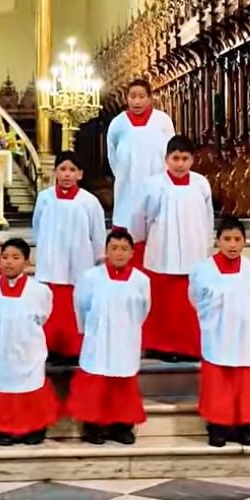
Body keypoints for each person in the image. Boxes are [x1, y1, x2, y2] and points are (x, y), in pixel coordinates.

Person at [129, 135, 215, 361]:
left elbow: (208, 218)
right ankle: (161, 346)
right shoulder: (154, 184)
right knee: (164, 304)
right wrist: (143, 239)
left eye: (185, 158)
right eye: (175, 158)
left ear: (193, 160)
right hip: (162, 249)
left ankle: (190, 348)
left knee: (189, 304)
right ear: (166, 159)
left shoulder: (201, 183)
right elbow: (141, 217)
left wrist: (207, 245)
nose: (180, 164)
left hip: (194, 250)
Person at [190, 219, 250, 447]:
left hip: (245, 335)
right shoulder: (203, 270)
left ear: (245, 242)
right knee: (219, 382)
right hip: (217, 334)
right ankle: (217, 425)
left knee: (245, 382)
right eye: (227, 239)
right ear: (218, 240)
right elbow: (195, 298)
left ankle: (243, 425)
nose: (232, 244)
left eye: (237, 239)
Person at [70, 228, 150, 445]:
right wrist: (90, 330)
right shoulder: (91, 277)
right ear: (106, 251)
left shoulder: (141, 281)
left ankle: (122, 425)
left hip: (126, 339)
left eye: (124, 249)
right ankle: (93, 425)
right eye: (114, 248)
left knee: (122, 382)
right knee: (96, 380)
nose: (119, 253)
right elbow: (81, 305)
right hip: (98, 337)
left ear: (132, 252)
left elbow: (144, 309)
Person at [0, 239, 59, 445]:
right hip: (2, 347)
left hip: (29, 348)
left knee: (30, 386)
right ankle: (4, 428)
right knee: (6, 385)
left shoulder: (40, 291)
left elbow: (43, 316)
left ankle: (33, 428)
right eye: (5, 257)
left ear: (26, 261)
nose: (9, 262)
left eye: (15, 258)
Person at [30, 151, 107, 363]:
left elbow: (98, 234)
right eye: (63, 169)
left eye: (72, 170)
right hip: (51, 260)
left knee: (75, 307)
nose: (67, 174)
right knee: (51, 305)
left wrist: (99, 259)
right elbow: (37, 226)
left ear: (80, 174)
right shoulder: (45, 198)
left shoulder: (89, 202)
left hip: (79, 263)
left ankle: (74, 349)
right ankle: (50, 348)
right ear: (55, 172)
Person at [105, 79, 176, 255]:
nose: (137, 101)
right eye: (132, 96)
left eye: (142, 96)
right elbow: (112, 155)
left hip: (158, 185)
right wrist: (124, 176)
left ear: (150, 98)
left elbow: (171, 152)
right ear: (126, 98)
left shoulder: (163, 121)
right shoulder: (118, 124)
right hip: (128, 188)